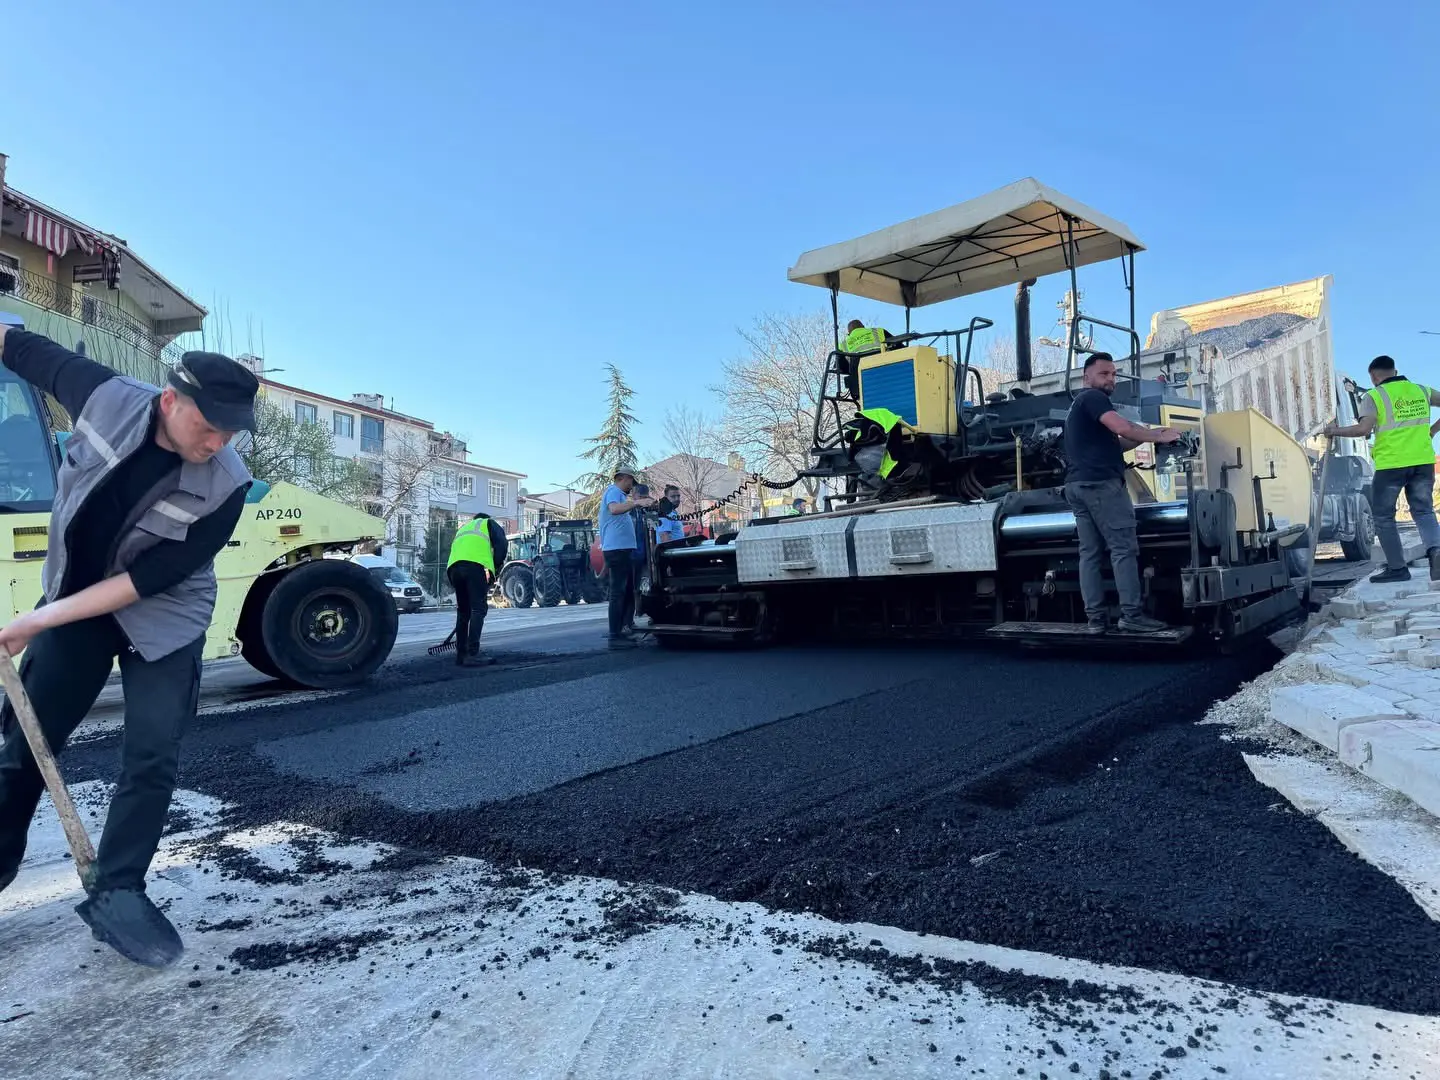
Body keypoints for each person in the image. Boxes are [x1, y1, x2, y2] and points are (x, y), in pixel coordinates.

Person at [0, 321, 256, 967]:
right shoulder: (105, 396)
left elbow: (146, 582)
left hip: (164, 618)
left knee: (150, 753)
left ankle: (118, 889)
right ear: (170, 401)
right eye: (209, 425)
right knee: (27, 744)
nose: (219, 441)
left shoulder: (228, 485)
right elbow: (23, 347)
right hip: (75, 599)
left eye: (232, 430)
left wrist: (34, 623)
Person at [1063, 352, 1182, 634]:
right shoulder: (1093, 398)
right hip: (1101, 486)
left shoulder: (1077, 409)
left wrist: (1141, 436)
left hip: (1078, 486)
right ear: (1087, 377)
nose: (1111, 379)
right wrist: (1160, 435)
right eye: (1104, 374)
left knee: (1090, 553)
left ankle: (1096, 620)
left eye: (1114, 374)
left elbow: (1115, 443)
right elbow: (1122, 427)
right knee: (1123, 549)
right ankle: (1132, 615)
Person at [1325, 355, 1440, 583]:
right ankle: (1436, 555)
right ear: (1395, 371)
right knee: (1424, 511)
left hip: (1392, 466)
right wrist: (1433, 430)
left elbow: (1363, 429)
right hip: (1423, 462)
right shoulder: (1422, 390)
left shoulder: (1374, 396)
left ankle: (1397, 569)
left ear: (1374, 376)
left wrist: (1333, 432)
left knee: (1384, 517)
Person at [598, 467, 652, 647]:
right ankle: (615, 635)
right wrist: (636, 503)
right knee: (618, 592)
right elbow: (614, 509)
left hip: (623, 550)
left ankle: (622, 629)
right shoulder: (613, 492)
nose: (631, 486)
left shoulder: (620, 496)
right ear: (622, 478)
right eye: (630, 482)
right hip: (617, 550)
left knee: (627, 591)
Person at [446, 512, 508, 667]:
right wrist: (496, 566)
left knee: (463, 610)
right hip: (473, 566)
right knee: (478, 608)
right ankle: (473, 653)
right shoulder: (488, 523)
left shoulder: (464, 527)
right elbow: (501, 543)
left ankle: (461, 654)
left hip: (454, 568)